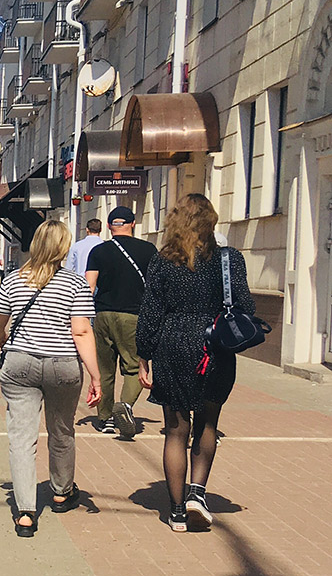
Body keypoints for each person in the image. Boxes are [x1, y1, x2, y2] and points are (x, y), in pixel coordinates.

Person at [136, 194, 251, 533]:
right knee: (208, 422)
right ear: (210, 221)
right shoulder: (229, 260)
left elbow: (150, 312)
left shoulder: (163, 261)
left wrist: (144, 354)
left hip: (172, 342)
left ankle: (175, 512)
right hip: (214, 344)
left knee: (175, 429)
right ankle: (197, 495)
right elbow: (245, 305)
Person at [0, 219, 102, 538]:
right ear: (64, 248)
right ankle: (61, 492)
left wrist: (0, 336)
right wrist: (96, 376)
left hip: (20, 364)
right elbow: (81, 331)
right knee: (62, 430)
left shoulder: (14, 280)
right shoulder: (76, 284)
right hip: (62, 365)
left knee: (22, 438)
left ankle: (26, 513)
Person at [85, 205, 156, 438]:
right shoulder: (149, 250)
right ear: (133, 224)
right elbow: (156, 288)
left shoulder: (98, 251)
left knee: (104, 369)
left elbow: (90, 287)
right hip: (133, 316)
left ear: (108, 226)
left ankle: (104, 418)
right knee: (134, 367)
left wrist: (83, 318)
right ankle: (124, 407)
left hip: (103, 315)